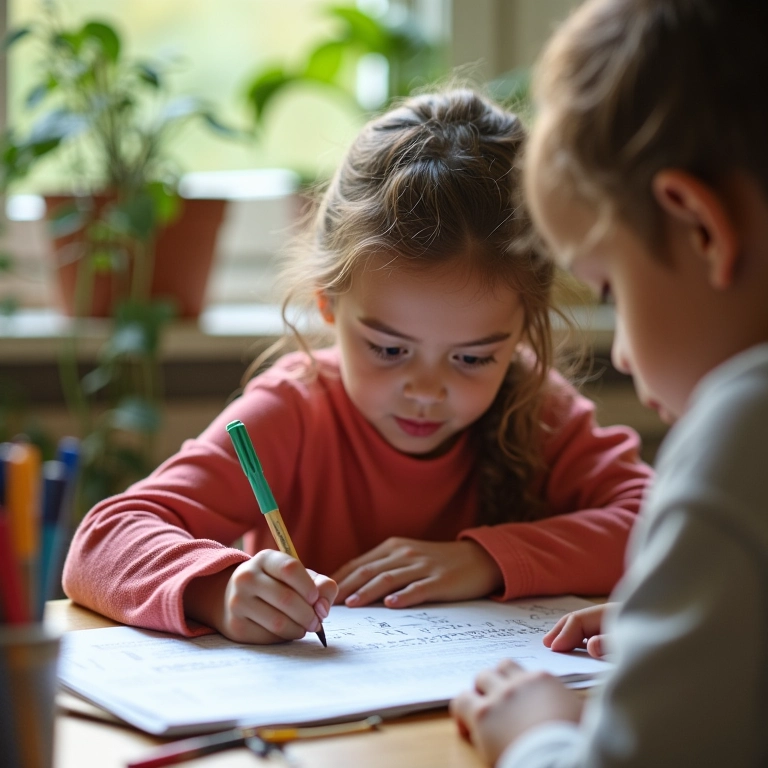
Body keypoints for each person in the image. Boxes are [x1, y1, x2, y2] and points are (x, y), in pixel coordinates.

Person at [62, 88, 652, 646]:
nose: (426, 390)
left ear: (524, 331)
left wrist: (486, 560)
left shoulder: (537, 407)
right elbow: (102, 540)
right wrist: (218, 588)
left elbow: (657, 525)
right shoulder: (293, 413)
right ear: (329, 304)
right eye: (389, 349)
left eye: (473, 358)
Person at [450, 1, 768, 767]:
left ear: (699, 227)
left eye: (609, 289)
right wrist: (696, 628)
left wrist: (538, 735)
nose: (622, 353)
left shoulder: (746, 423)